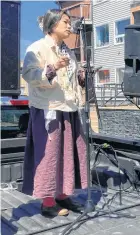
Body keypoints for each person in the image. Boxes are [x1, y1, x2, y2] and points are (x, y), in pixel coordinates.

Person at [21, 9, 87, 217]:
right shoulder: (37, 48)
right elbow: (29, 74)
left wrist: (81, 77)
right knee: (50, 156)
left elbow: (71, 79)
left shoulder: (69, 51)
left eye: (69, 22)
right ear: (52, 25)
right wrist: (53, 67)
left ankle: (63, 195)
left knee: (68, 155)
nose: (69, 26)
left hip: (68, 109)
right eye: (65, 22)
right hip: (48, 109)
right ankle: (48, 202)